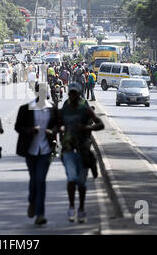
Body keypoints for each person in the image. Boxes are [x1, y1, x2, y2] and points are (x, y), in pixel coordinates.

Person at [57, 83, 104, 223]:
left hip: (83, 150)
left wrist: (86, 127)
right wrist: (59, 130)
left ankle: (81, 208)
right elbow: (56, 124)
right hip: (68, 150)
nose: (72, 96)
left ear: (78, 94)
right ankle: (71, 206)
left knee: (81, 183)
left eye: (74, 93)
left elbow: (100, 124)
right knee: (71, 178)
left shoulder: (85, 110)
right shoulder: (65, 109)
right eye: (70, 93)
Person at [15, 82, 57, 225]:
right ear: (36, 92)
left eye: (45, 91)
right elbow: (17, 126)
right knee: (34, 179)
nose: (42, 93)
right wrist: (30, 130)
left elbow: (57, 125)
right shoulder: (26, 109)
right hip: (31, 150)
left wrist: (52, 132)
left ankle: (40, 214)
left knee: (40, 180)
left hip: (45, 150)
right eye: (40, 91)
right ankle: (32, 201)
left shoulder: (52, 109)